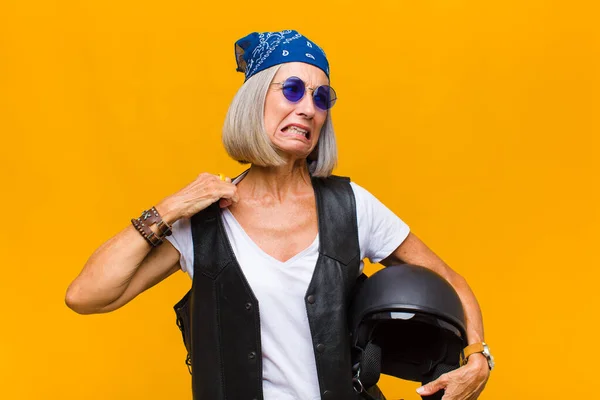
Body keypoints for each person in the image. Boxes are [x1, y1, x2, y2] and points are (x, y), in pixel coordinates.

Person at [65, 30, 490, 400]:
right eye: (291, 90)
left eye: (321, 97)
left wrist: (478, 357)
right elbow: (86, 296)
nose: (308, 108)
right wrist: (170, 208)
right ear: (254, 101)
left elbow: (451, 281)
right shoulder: (202, 221)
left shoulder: (352, 205)